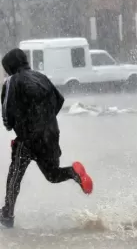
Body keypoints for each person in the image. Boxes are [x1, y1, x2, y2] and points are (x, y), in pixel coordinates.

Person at [0, 48, 93, 228]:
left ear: (10, 66)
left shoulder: (11, 81)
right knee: (52, 174)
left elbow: (6, 114)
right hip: (50, 135)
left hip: (28, 138)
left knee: (15, 175)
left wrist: (14, 126)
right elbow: (59, 100)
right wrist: (45, 122)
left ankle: (7, 214)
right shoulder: (41, 77)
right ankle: (74, 173)